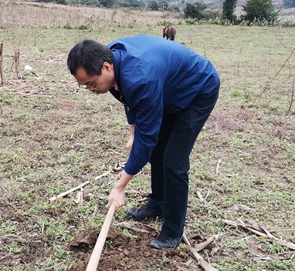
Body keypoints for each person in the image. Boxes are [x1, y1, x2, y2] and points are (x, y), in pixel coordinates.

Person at [67, 35, 219, 250]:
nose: (92, 90)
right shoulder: (109, 60)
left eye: (92, 84)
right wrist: (133, 132)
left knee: (173, 162)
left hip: (197, 89)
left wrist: (120, 187)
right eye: (86, 86)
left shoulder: (140, 78)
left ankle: (172, 232)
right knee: (157, 152)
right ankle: (158, 204)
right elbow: (128, 98)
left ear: (106, 67)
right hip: (166, 88)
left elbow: (146, 139)